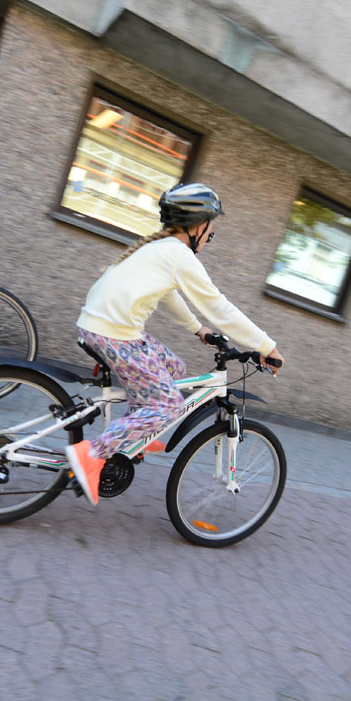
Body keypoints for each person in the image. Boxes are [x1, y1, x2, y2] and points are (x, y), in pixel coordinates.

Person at [65, 182, 285, 505]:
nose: (210, 236)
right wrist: (268, 347)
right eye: (211, 229)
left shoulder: (158, 247)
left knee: (173, 367)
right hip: (113, 333)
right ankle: (93, 453)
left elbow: (167, 293)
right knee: (168, 404)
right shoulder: (177, 254)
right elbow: (220, 307)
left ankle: (134, 433)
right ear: (198, 226)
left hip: (108, 327)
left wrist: (198, 329)